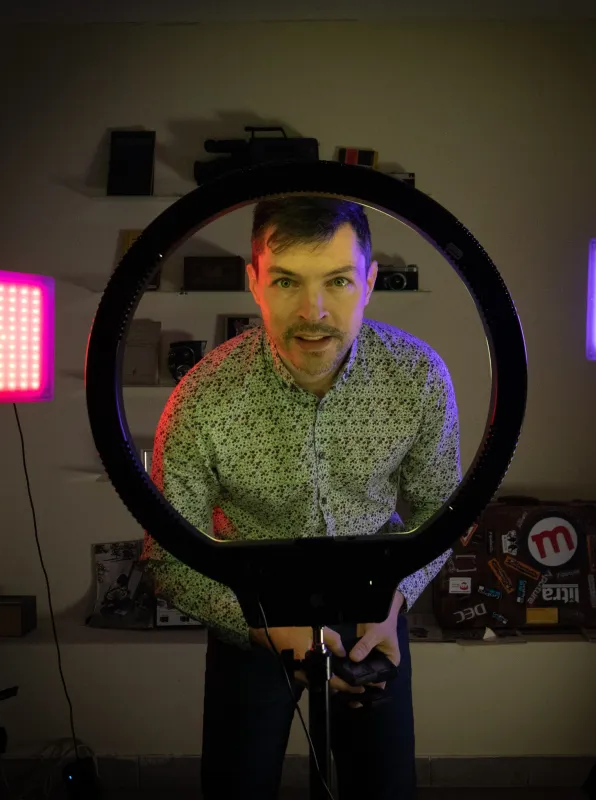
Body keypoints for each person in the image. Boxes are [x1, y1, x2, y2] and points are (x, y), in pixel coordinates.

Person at [142, 196, 461, 800]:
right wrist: (271, 628)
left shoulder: (417, 376)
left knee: (383, 791)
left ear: (370, 282)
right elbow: (166, 553)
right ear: (254, 283)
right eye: (287, 281)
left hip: (372, 614)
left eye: (338, 281)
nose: (314, 311)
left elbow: (441, 510)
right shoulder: (202, 396)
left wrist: (394, 601)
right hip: (251, 614)